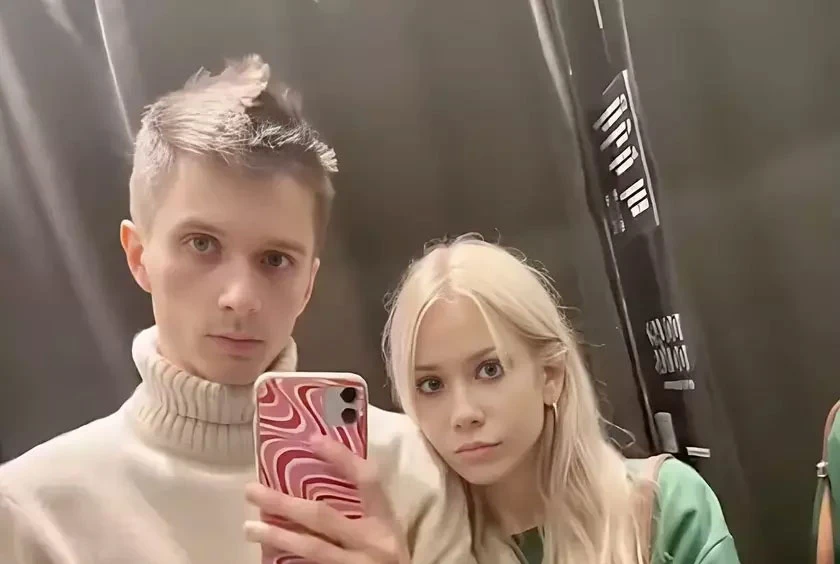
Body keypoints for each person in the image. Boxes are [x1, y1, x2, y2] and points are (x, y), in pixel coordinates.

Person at [0, 55, 474, 564]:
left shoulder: (410, 470)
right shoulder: (32, 509)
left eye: (275, 259)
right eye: (202, 244)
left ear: (308, 284)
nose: (240, 297)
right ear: (139, 257)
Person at [378, 234, 740, 564]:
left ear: (550, 375)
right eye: (431, 385)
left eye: (489, 370)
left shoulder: (667, 506)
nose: (463, 413)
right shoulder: (408, 546)